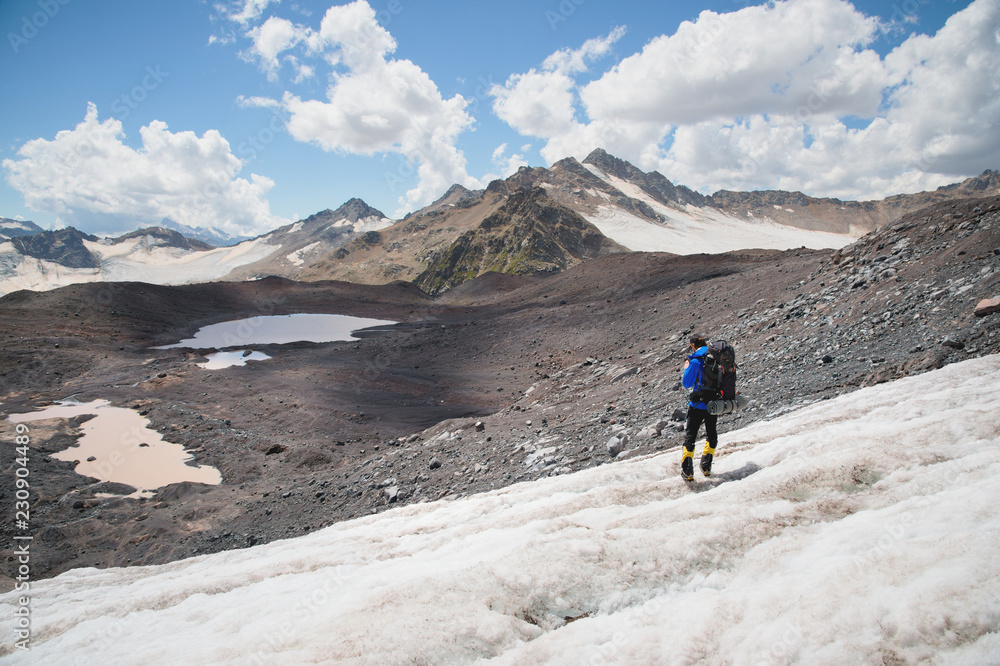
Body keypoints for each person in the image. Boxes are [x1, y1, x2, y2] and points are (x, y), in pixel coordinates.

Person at [680, 335, 718, 481]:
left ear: (694, 346)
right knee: (711, 433)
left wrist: (686, 369)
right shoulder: (715, 358)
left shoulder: (695, 361)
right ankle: (706, 466)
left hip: (697, 405)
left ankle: (688, 471)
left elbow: (687, 383)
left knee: (690, 436)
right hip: (712, 404)